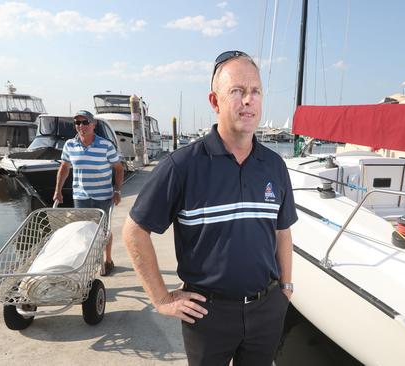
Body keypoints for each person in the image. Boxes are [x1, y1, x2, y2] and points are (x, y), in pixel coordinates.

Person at [123, 50, 298, 366]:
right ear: (215, 101)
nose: (248, 100)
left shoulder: (274, 166)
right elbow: (134, 231)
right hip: (208, 315)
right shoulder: (182, 166)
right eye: (237, 91)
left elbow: (282, 230)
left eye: (255, 91)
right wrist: (161, 299)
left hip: (266, 310)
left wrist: (285, 289)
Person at [54, 110, 124, 276]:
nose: (81, 126)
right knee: (84, 231)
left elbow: (119, 169)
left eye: (85, 122)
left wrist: (117, 190)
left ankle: (108, 260)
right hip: (81, 196)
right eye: (77, 123)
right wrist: (58, 190)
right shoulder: (70, 145)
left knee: (104, 230)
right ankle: (90, 261)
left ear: (93, 124)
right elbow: (64, 168)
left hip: (103, 196)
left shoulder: (106, 145)